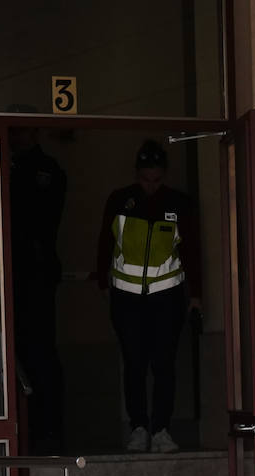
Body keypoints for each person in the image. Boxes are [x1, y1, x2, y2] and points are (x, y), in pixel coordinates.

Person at [94, 139, 201, 454]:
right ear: (136, 174)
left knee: (164, 365)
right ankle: (139, 428)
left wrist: (196, 295)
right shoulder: (121, 200)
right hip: (127, 298)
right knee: (134, 365)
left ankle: (162, 429)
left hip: (167, 298)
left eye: (156, 180)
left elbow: (192, 251)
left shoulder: (179, 203)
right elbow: (104, 242)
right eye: (145, 179)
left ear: (164, 175)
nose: (150, 187)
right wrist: (103, 282)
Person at [8, 120, 67, 452]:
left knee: (39, 352)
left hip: (35, 274)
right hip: (12, 273)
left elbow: (39, 220)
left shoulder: (46, 170)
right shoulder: (4, 162)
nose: (16, 137)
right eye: (13, 132)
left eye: (21, 131)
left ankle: (47, 431)